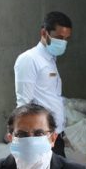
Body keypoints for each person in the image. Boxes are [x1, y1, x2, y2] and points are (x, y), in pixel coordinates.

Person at [14, 11, 72, 157]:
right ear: (44, 33)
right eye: (59, 38)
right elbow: (24, 103)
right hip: (40, 139)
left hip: (55, 136)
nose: (63, 43)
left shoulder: (51, 60)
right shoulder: (29, 59)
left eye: (67, 39)